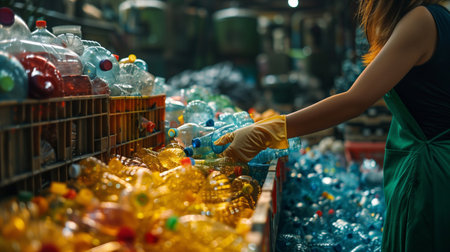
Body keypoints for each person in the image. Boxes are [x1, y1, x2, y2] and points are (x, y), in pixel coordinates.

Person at [214, 0, 450, 251]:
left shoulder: (421, 21)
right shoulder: (438, 18)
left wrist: (270, 130)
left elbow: (355, 100)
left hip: (430, 179)